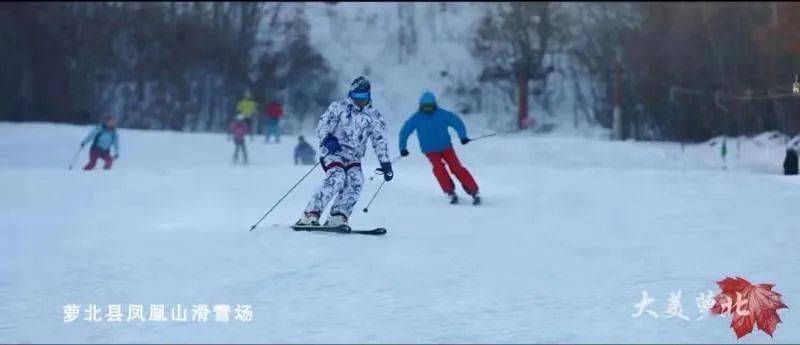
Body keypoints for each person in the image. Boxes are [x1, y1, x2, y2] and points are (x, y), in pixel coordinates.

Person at [295, 76, 392, 228]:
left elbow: (379, 140)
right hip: (333, 152)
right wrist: (327, 139)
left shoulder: (373, 116)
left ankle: (338, 216)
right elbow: (323, 125)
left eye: (363, 97)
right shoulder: (338, 107)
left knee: (356, 181)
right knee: (337, 177)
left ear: (369, 96)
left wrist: (385, 163)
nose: (359, 100)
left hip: (354, 156)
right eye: (356, 96)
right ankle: (310, 214)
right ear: (350, 94)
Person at [399, 91, 481, 205]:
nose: (428, 109)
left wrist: (463, 136)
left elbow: (457, 123)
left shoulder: (442, 115)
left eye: (430, 106)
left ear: (434, 105)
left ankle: (474, 191)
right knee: (439, 169)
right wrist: (403, 148)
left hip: (446, 148)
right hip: (430, 151)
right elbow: (404, 132)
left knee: (457, 168)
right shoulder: (416, 118)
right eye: (425, 106)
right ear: (421, 106)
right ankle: (450, 191)